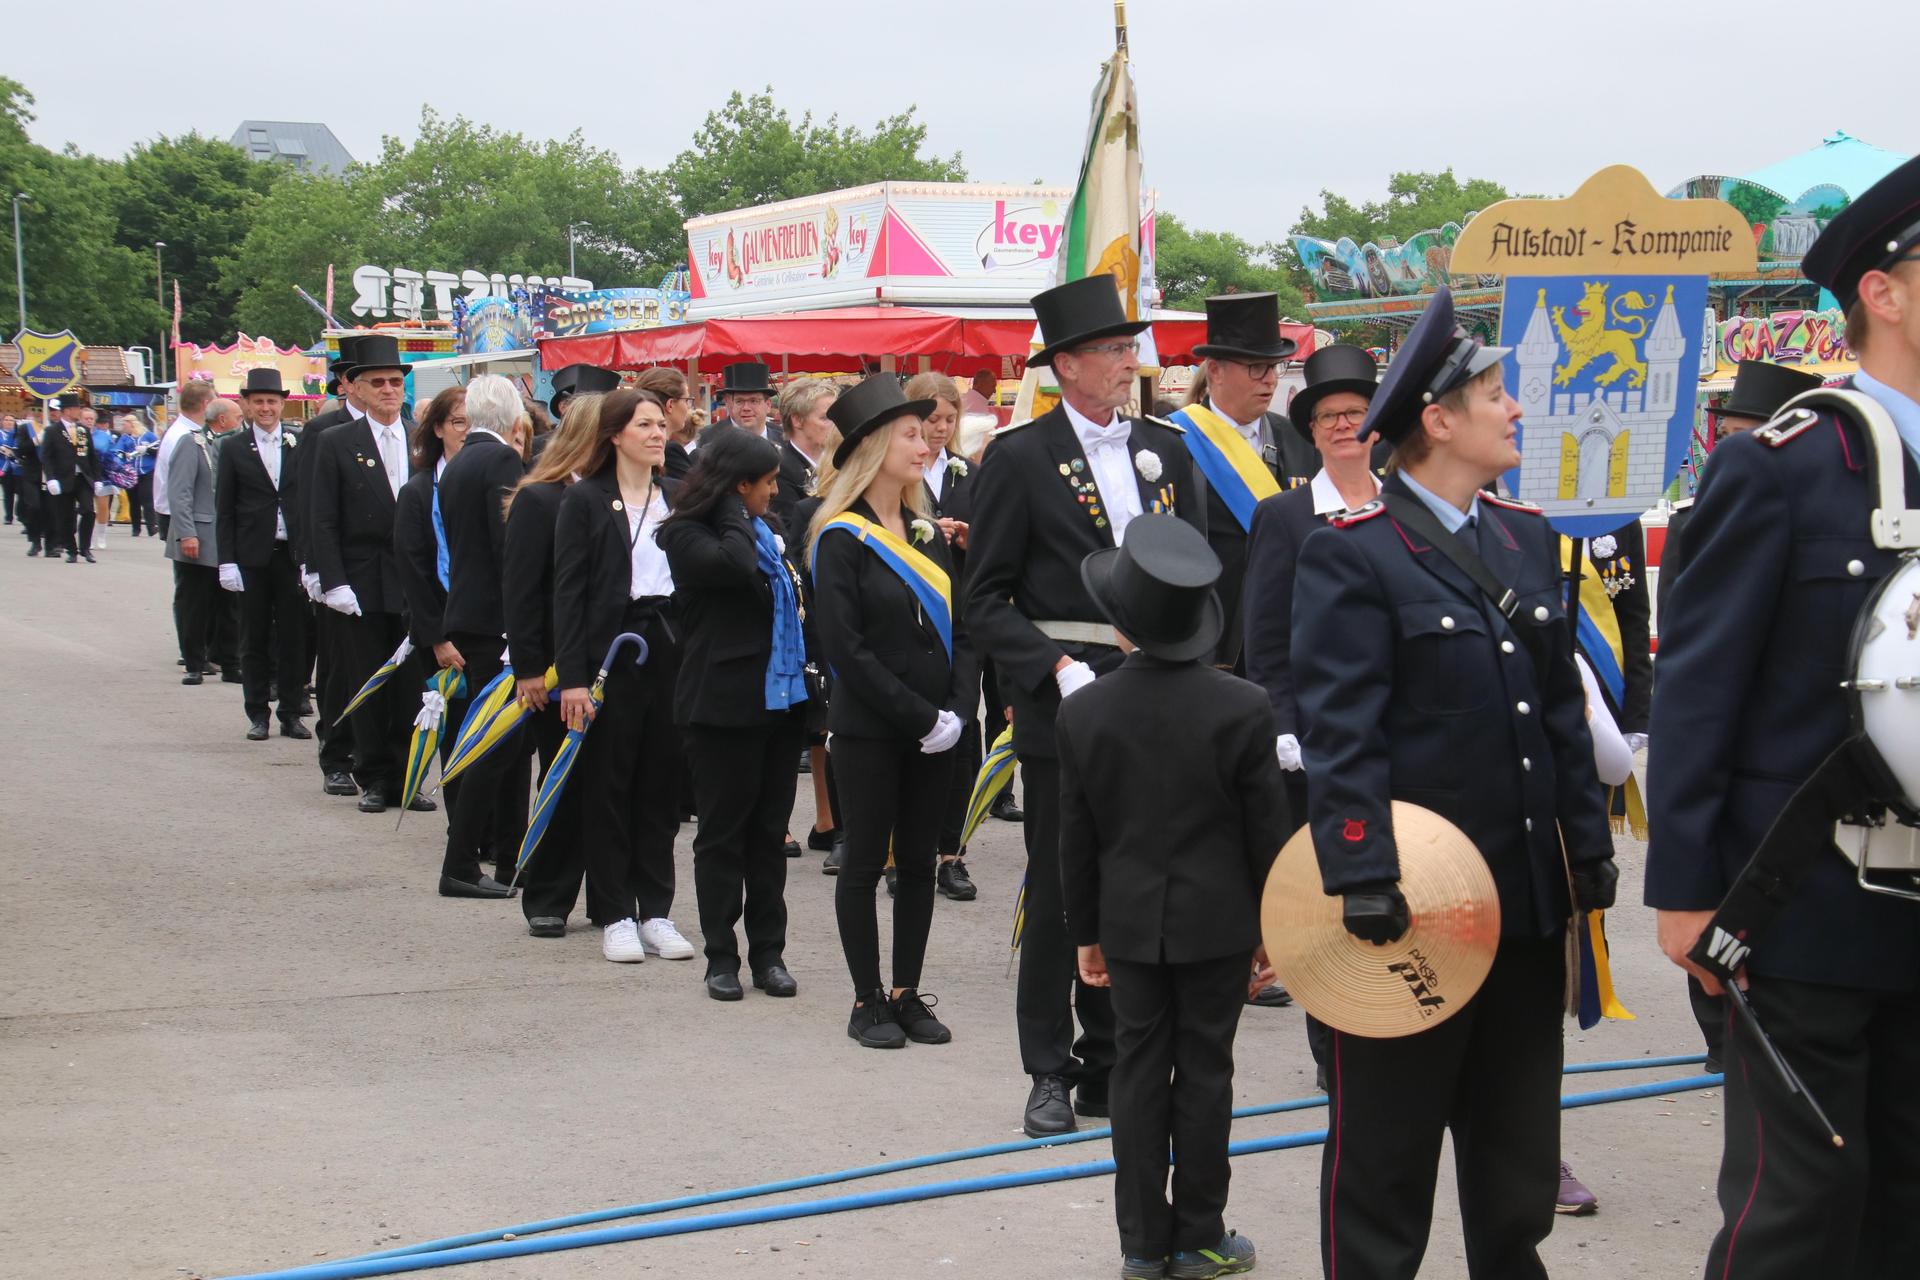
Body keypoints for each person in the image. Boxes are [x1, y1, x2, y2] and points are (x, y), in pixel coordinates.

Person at [1291, 285, 1615, 1279]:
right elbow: (1341, 734)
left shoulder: (1525, 539)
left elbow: (1557, 714)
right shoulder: (1355, 554)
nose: (1514, 408)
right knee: (1385, 1169)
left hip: (1519, 904)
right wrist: (1362, 878)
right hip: (1412, 913)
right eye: (1494, 395)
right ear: (1436, 420)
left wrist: (1586, 854)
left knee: (1516, 1161)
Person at [1645, 153, 1920, 1280]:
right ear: (1883, 291)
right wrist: (1685, 890)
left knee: (1905, 1203)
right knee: (1801, 1210)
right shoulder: (1785, 466)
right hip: (1804, 897)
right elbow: (1700, 684)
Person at [965, 274, 1207, 1137]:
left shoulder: (1169, 450)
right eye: (1111, 350)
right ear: (1066, 365)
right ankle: (1048, 1067)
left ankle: (1119, 1062)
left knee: (1146, 889)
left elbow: (1201, 574)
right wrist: (1056, 666)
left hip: (1162, 701)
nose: (1127, 362)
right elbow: (983, 599)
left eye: (1128, 347)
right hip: (1068, 700)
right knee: (1065, 889)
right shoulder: (1020, 458)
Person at [1060, 514, 1285, 1280]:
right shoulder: (1244, 707)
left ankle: (1140, 1245)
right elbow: (1268, 835)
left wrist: (1084, 930)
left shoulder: (1083, 710)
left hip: (1125, 921)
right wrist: (1270, 929)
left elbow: (1076, 838)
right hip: (1219, 922)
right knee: (1206, 1073)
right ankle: (1200, 1235)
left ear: (1121, 626)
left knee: (1134, 1072)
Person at [807, 375, 971, 1047]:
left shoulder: (930, 534)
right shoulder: (839, 538)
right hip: (872, 730)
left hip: (938, 730)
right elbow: (845, 647)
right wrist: (919, 715)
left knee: (919, 866)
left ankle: (907, 992)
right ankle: (866, 998)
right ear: (873, 446)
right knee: (866, 861)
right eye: (910, 432)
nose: (926, 441)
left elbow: (963, 629)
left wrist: (959, 708)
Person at [1242, 342, 1382, 1028]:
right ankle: (1334, 1039)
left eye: (1355, 411)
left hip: (1396, 733)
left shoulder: (1408, 506)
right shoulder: (1285, 517)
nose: (1341, 424)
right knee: (1326, 893)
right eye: (1327, 415)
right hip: (1316, 740)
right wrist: (1283, 725)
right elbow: (1264, 636)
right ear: (1313, 430)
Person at [657, 428, 809, 1002]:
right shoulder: (684, 534)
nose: (775, 493)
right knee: (722, 837)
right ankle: (722, 954)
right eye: (766, 483)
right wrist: (728, 508)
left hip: (778, 704)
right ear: (738, 485)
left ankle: (769, 953)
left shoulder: (766, 530)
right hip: (719, 706)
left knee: (768, 836)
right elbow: (734, 564)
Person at [551, 389, 697, 963]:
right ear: (615, 435)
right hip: (610, 651)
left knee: (662, 785)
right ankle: (613, 911)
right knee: (609, 784)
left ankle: (656, 909)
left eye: (662, 424)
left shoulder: (679, 497)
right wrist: (573, 678)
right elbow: (568, 592)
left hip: (669, 646)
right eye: (645, 425)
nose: (659, 433)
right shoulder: (585, 501)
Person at [505, 394, 607, 937]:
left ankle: (605, 894)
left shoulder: (611, 496)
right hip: (550, 665)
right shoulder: (539, 498)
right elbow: (520, 590)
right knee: (562, 778)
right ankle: (547, 894)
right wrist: (527, 668)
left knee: (604, 783)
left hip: (604, 663)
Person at [307, 335, 421, 815]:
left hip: (413, 583)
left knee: (411, 684)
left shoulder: (420, 438)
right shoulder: (336, 441)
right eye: (379, 382)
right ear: (356, 387)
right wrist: (332, 582)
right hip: (362, 579)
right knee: (370, 682)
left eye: (396, 382)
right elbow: (322, 519)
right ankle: (373, 775)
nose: (389, 390)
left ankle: (406, 776)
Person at [432, 376, 533, 897]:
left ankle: (506, 858)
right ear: (515, 419)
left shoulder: (460, 462)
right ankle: (461, 862)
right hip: (495, 620)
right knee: (494, 747)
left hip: (472, 613)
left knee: (505, 747)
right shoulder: (499, 463)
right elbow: (509, 550)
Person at [1177, 293, 1302, 671]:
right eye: (1256, 368)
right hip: (1212, 641)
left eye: (1274, 368)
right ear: (1214, 371)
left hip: (1287, 635)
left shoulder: (1295, 437)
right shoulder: (1174, 441)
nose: (1269, 381)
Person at [1656, 359, 1823, 624]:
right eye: (1725, 436)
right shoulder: (1690, 522)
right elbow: (1671, 622)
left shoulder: (1816, 524)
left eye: (1743, 435)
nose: (1728, 449)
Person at [904, 372, 984, 900]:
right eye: (930, 419)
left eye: (948, 420)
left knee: (964, 727)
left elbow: (995, 541)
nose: (939, 429)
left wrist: (966, 538)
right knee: (912, 728)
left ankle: (952, 852)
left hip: (962, 609)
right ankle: (903, 849)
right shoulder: (898, 469)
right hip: (910, 613)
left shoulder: (967, 473)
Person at [215, 369, 311, 741]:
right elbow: (224, 508)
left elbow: (307, 501)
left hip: (291, 555)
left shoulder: (297, 443)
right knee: (252, 638)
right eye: (259, 402)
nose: (266, 408)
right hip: (252, 555)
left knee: (294, 637)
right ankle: (257, 713)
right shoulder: (233, 448)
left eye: (272, 401)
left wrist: (310, 557)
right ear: (247, 405)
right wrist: (226, 560)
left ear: (282, 404)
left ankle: (290, 711)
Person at [295, 337, 371, 799]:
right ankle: (337, 754)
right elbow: (308, 503)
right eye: (369, 378)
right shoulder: (323, 431)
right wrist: (313, 567)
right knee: (341, 668)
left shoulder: (401, 429)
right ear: (346, 384)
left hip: (386, 570)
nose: (383, 388)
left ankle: (379, 756)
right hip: (337, 567)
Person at [167, 396, 234, 684]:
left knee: (229, 605)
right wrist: (187, 533)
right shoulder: (192, 443)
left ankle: (229, 661)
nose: (240, 423)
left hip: (224, 538)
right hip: (197, 536)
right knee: (194, 603)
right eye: (238, 418)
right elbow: (180, 492)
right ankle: (194, 661)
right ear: (222, 420)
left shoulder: (232, 445)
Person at [771, 377, 835, 534]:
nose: (835, 424)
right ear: (797, 420)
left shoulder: (841, 460)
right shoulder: (781, 469)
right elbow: (793, 533)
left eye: (836, 416)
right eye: (826, 418)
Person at [155, 382, 215, 547]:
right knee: (190, 571)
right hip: (181, 517)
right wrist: (187, 533)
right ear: (206, 404)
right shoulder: (184, 436)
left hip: (181, 514)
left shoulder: (184, 430)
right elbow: (181, 488)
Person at [39, 397, 99, 563]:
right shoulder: (52, 431)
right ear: (66, 411)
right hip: (63, 479)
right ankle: (71, 549)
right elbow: (47, 457)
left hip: (82, 478)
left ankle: (85, 548)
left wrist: (98, 478)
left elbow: (92, 456)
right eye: (76, 408)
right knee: (65, 516)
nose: (79, 411)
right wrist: (50, 479)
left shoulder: (83, 430)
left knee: (88, 511)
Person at [699, 362, 783, 448]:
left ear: (768, 405)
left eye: (753, 401)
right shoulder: (708, 439)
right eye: (739, 401)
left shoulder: (785, 438)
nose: (746, 408)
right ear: (730, 404)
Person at [634, 366, 695, 479]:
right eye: (686, 400)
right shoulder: (670, 451)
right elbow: (696, 492)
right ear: (670, 405)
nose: (688, 408)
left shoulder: (634, 448)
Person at [128, 415, 161, 537]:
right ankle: (135, 528)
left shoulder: (148, 436)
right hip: (131, 473)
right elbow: (117, 451)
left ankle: (151, 526)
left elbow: (159, 449)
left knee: (147, 500)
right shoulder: (125, 438)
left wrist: (147, 450)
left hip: (146, 472)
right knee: (133, 501)